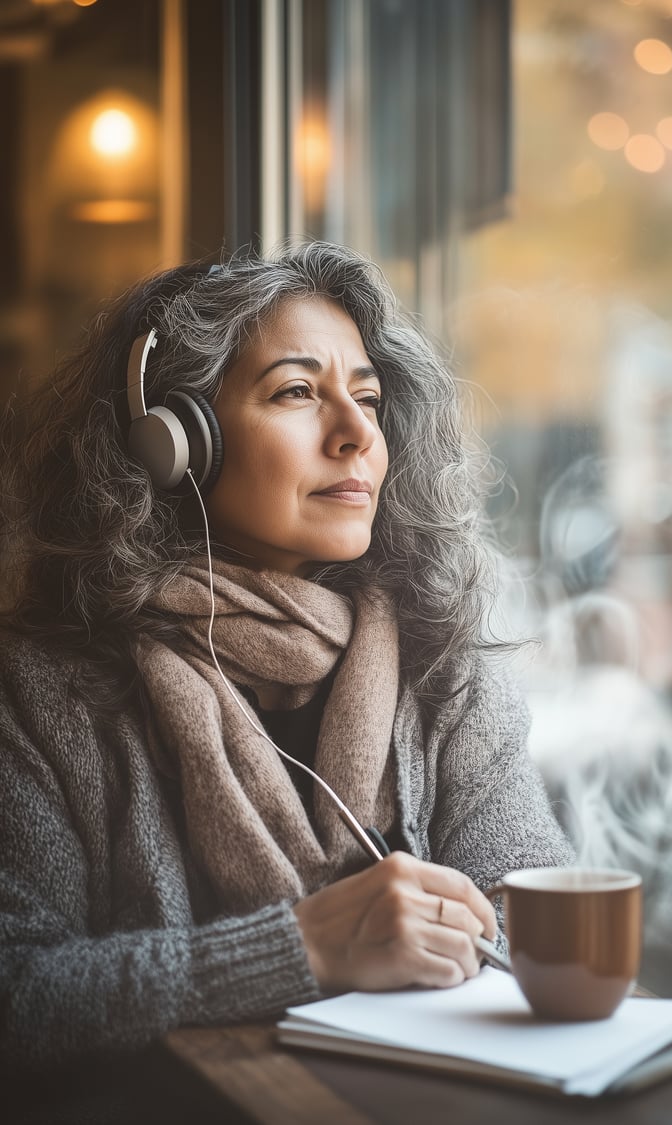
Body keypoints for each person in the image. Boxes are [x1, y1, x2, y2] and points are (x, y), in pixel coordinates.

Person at [0, 242, 573, 1082]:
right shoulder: (39, 691)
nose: (356, 434)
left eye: (369, 397)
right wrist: (303, 947)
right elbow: (19, 991)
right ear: (174, 442)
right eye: (299, 392)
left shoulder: (445, 671)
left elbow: (536, 917)